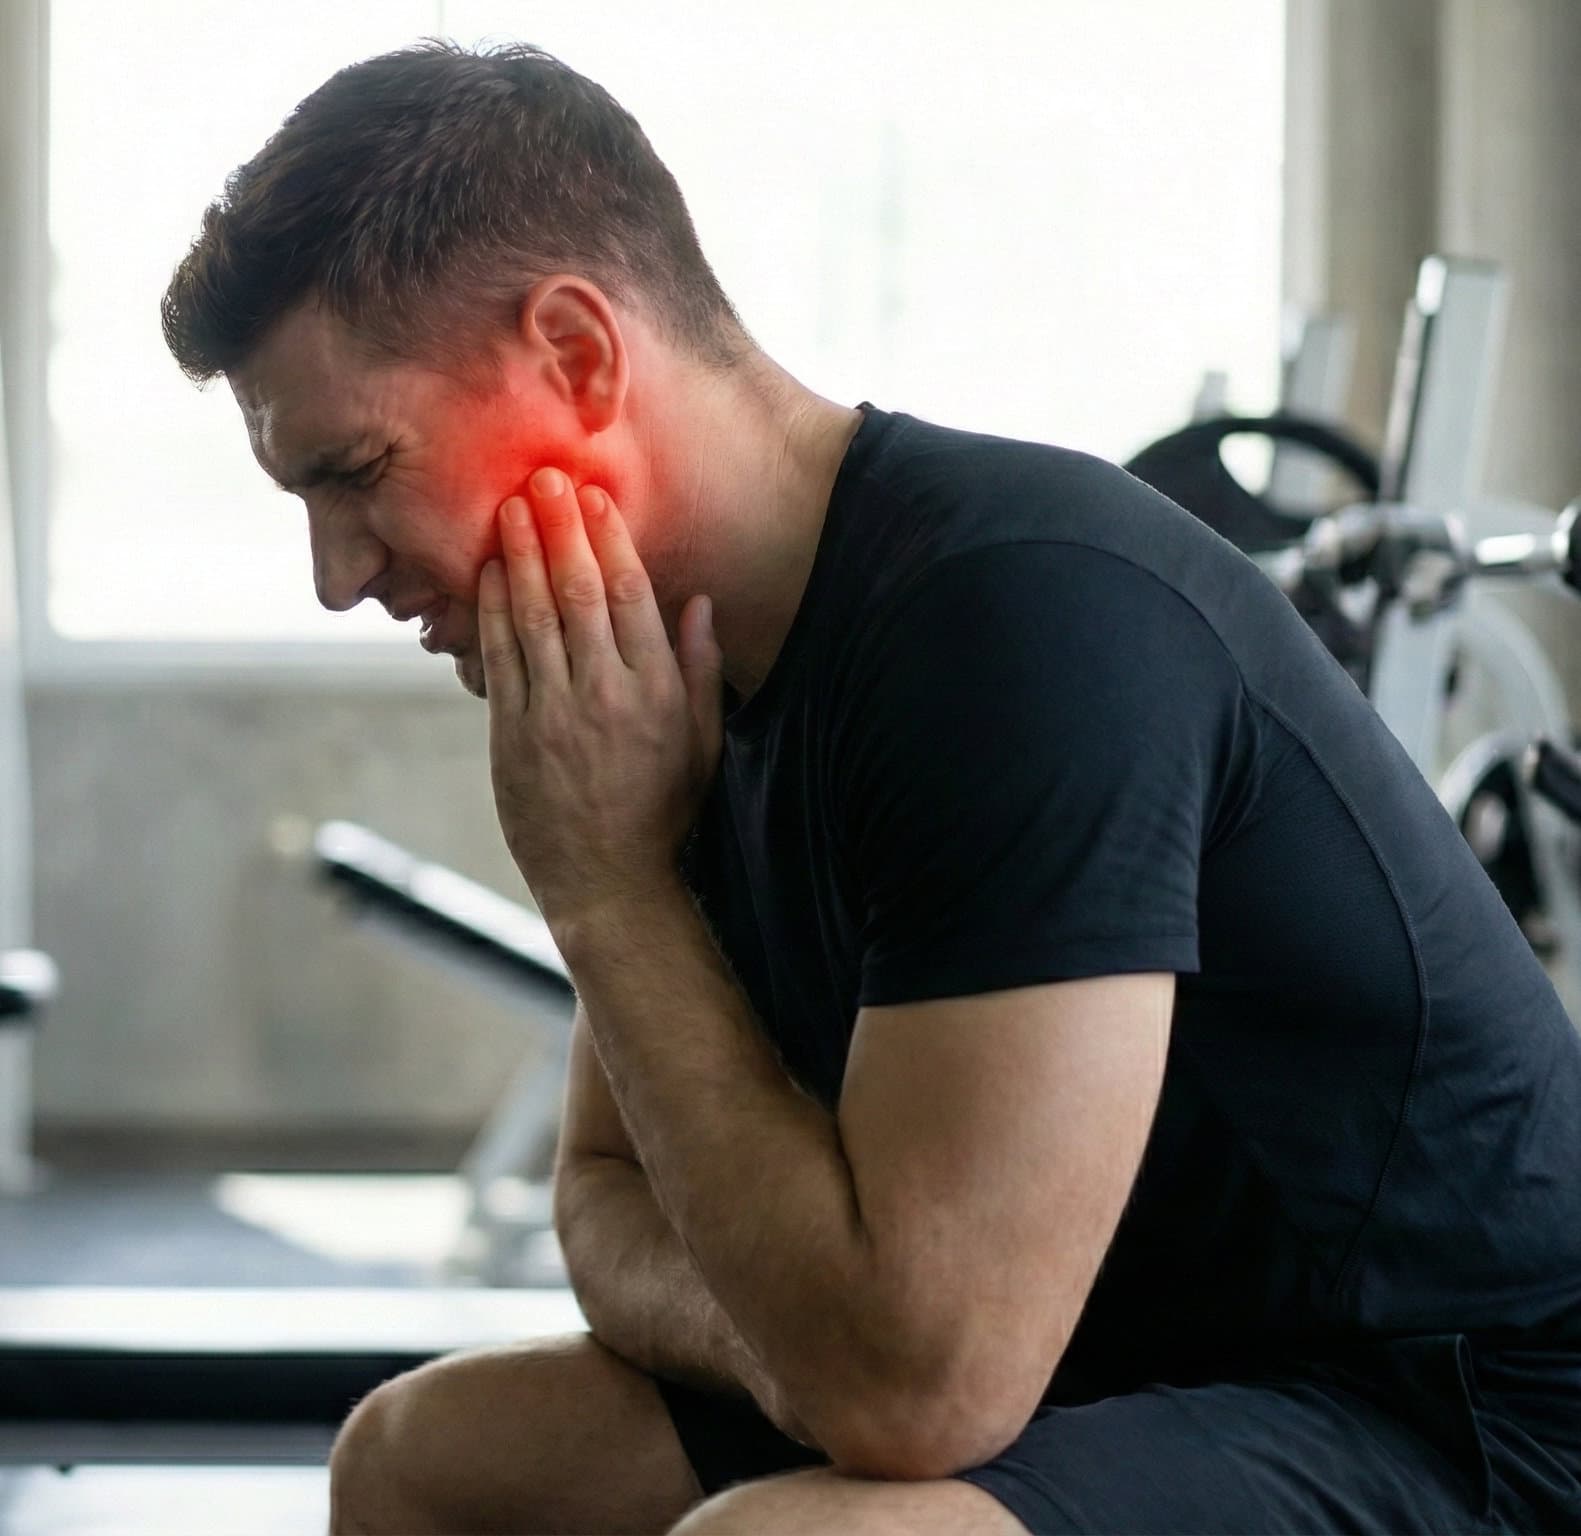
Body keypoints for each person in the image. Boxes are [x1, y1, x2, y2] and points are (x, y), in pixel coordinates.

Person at [160, 40, 1581, 1536]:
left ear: (576, 356)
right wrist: (804, 1350)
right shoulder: (661, 668)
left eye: (358, 469)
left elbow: (913, 1400)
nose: (336, 576)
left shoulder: (1012, 619)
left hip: (1457, 1425)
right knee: (426, 1460)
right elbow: (600, 1207)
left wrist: (608, 883)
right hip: (1121, 1369)